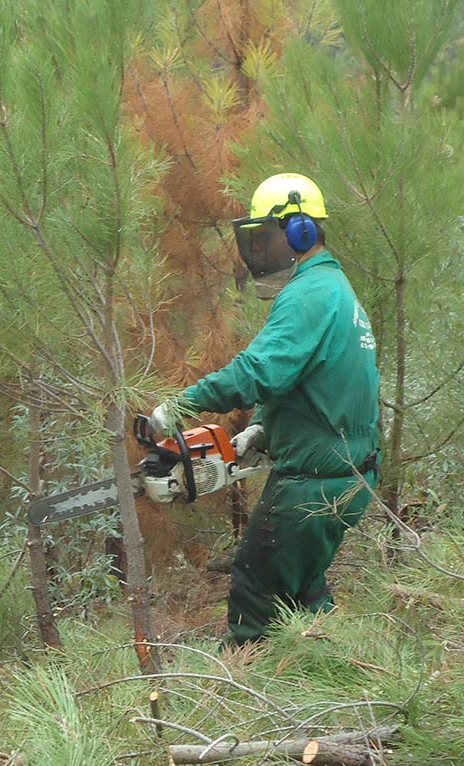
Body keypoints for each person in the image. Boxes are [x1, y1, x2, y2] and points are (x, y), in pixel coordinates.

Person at [150, 172, 380, 646]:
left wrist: (180, 406)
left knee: (255, 586)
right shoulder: (334, 288)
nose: (258, 250)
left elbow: (259, 371)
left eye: (267, 237)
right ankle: (335, 676)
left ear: (300, 232)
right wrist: (259, 429)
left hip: (312, 483)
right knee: (301, 588)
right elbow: (303, 378)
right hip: (348, 474)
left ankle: (245, 696)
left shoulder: (309, 295)